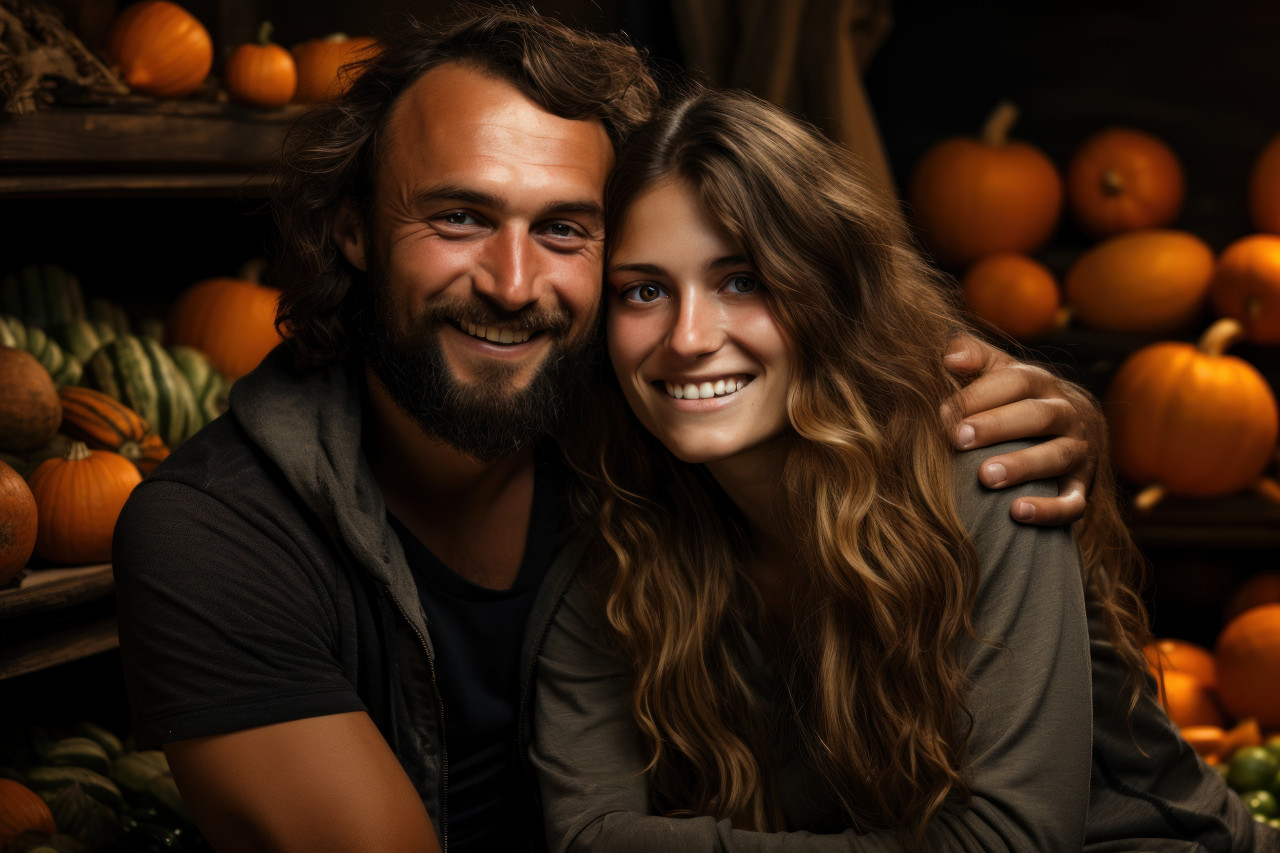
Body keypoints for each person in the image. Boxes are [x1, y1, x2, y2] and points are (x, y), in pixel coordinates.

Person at [113, 6, 1106, 853]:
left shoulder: (645, 421)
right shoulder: (218, 534)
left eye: (563, 229)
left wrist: (1020, 410)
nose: (511, 285)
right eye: (458, 217)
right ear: (355, 227)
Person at [531, 86, 1274, 852]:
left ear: (829, 288)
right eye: (644, 291)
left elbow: (1006, 842)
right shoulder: (621, 542)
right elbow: (587, 835)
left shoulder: (979, 470)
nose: (688, 337)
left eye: (742, 280)